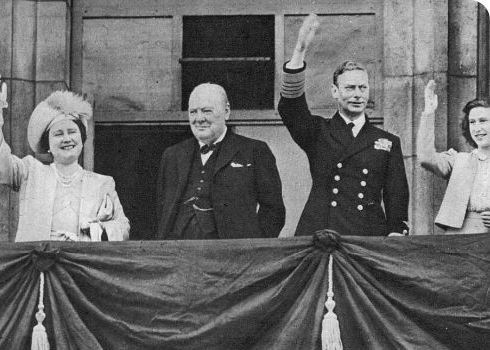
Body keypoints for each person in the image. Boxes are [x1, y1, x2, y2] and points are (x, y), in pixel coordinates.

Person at [278, 14, 409, 236]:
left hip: (368, 235)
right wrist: (299, 51)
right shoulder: (318, 132)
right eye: (350, 88)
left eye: (363, 88)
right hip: (322, 232)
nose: (357, 95)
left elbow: (396, 195)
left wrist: (396, 232)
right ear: (335, 92)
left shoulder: (387, 141)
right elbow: (291, 109)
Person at [0, 71, 129, 242]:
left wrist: (98, 229)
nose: (66, 139)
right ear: (47, 144)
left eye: (72, 132)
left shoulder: (102, 183)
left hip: (81, 265)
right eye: (58, 134)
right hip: (39, 264)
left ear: (82, 138)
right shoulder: (30, 172)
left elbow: (123, 228)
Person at [156, 83, 286, 240]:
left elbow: (273, 211)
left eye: (206, 111)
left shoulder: (254, 150)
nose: (199, 119)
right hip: (178, 251)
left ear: (226, 112)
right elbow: (161, 208)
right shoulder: (172, 155)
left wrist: (253, 248)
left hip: (230, 255)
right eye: (193, 112)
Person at [417, 81, 490, 234]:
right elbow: (425, 158)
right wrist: (429, 113)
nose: (477, 128)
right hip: (459, 236)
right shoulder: (459, 160)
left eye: (483, 121)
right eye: (472, 122)